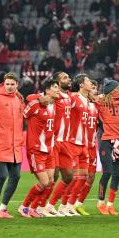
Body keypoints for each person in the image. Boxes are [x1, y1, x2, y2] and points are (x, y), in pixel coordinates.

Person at [0, 73, 25, 218]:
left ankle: (3, 208)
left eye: (12, 84)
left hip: (15, 145)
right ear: (3, 83)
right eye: (7, 84)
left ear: (17, 85)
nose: (9, 87)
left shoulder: (19, 98)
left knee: (16, 176)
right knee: (2, 176)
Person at [19, 78, 58, 218]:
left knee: (51, 181)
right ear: (47, 90)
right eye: (55, 87)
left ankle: (33, 208)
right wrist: (36, 97)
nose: (58, 90)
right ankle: (24, 206)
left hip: (49, 149)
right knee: (44, 181)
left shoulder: (54, 105)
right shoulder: (36, 104)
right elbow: (22, 115)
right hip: (36, 149)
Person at [58, 74, 93, 215]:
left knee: (84, 176)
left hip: (83, 143)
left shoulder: (86, 101)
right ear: (81, 85)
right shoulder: (73, 98)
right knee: (70, 177)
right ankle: (57, 206)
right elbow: (60, 104)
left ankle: (69, 206)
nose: (90, 83)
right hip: (71, 142)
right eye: (88, 81)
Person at [95, 79, 119, 215]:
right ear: (112, 91)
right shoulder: (101, 102)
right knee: (107, 172)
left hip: (118, 140)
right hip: (105, 139)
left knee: (117, 174)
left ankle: (110, 204)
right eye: (118, 88)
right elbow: (91, 98)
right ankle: (100, 202)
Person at [47, 72, 76, 216]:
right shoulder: (55, 97)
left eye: (68, 77)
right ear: (57, 83)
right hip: (54, 141)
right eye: (65, 78)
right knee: (54, 176)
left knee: (69, 176)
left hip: (65, 142)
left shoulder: (70, 97)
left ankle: (52, 206)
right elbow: (38, 98)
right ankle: (38, 206)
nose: (69, 79)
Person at [74, 80, 100, 215]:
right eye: (92, 88)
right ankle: (68, 204)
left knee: (91, 177)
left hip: (92, 146)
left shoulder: (97, 106)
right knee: (77, 176)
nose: (95, 91)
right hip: (79, 144)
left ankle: (79, 203)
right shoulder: (79, 102)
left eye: (96, 89)